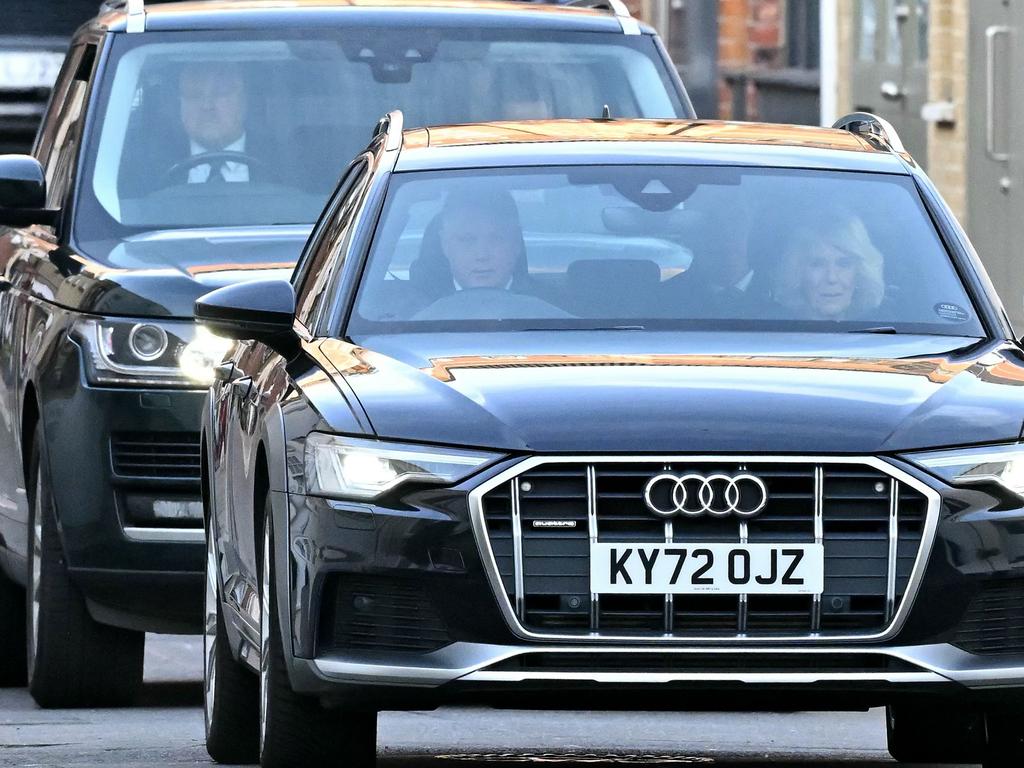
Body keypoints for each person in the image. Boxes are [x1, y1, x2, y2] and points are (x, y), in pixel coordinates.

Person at [408, 187, 567, 320]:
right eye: (467, 240)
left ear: (516, 242)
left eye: (496, 239)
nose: (482, 255)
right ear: (445, 244)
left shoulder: (561, 312)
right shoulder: (403, 315)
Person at [772, 208, 885, 320]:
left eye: (844, 264)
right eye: (817, 264)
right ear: (797, 272)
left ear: (861, 272)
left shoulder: (888, 334)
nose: (831, 278)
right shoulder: (768, 333)